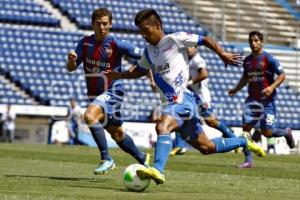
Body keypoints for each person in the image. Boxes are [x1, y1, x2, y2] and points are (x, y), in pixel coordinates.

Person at [105, 9, 265, 185]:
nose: (143, 35)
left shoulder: (175, 39)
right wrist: (118, 75)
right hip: (174, 104)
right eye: (140, 31)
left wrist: (222, 54)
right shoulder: (149, 52)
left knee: (162, 127)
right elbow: (139, 70)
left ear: (157, 25)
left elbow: (205, 39)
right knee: (207, 147)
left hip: (182, 99)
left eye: (146, 30)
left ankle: (158, 170)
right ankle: (243, 140)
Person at [66, 8, 149, 175]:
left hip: (112, 91)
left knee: (89, 116)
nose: (102, 27)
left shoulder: (117, 44)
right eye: (98, 23)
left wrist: (135, 74)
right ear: (92, 24)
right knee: (117, 134)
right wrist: (71, 61)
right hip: (95, 95)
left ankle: (106, 158)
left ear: (110, 24)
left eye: (105, 23)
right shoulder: (84, 43)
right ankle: (143, 159)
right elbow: (71, 69)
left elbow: (146, 58)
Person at [228, 31, 295, 168]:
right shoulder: (247, 61)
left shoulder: (269, 59)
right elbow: (245, 78)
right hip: (251, 100)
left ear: (262, 42)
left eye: (256, 40)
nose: (253, 43)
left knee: (267, 132)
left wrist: (271, 87)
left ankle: (286, 132)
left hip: (267, 101)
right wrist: (236, 89)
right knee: (246, 130)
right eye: (251, 41)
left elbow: (282, 75)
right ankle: (248, 161)